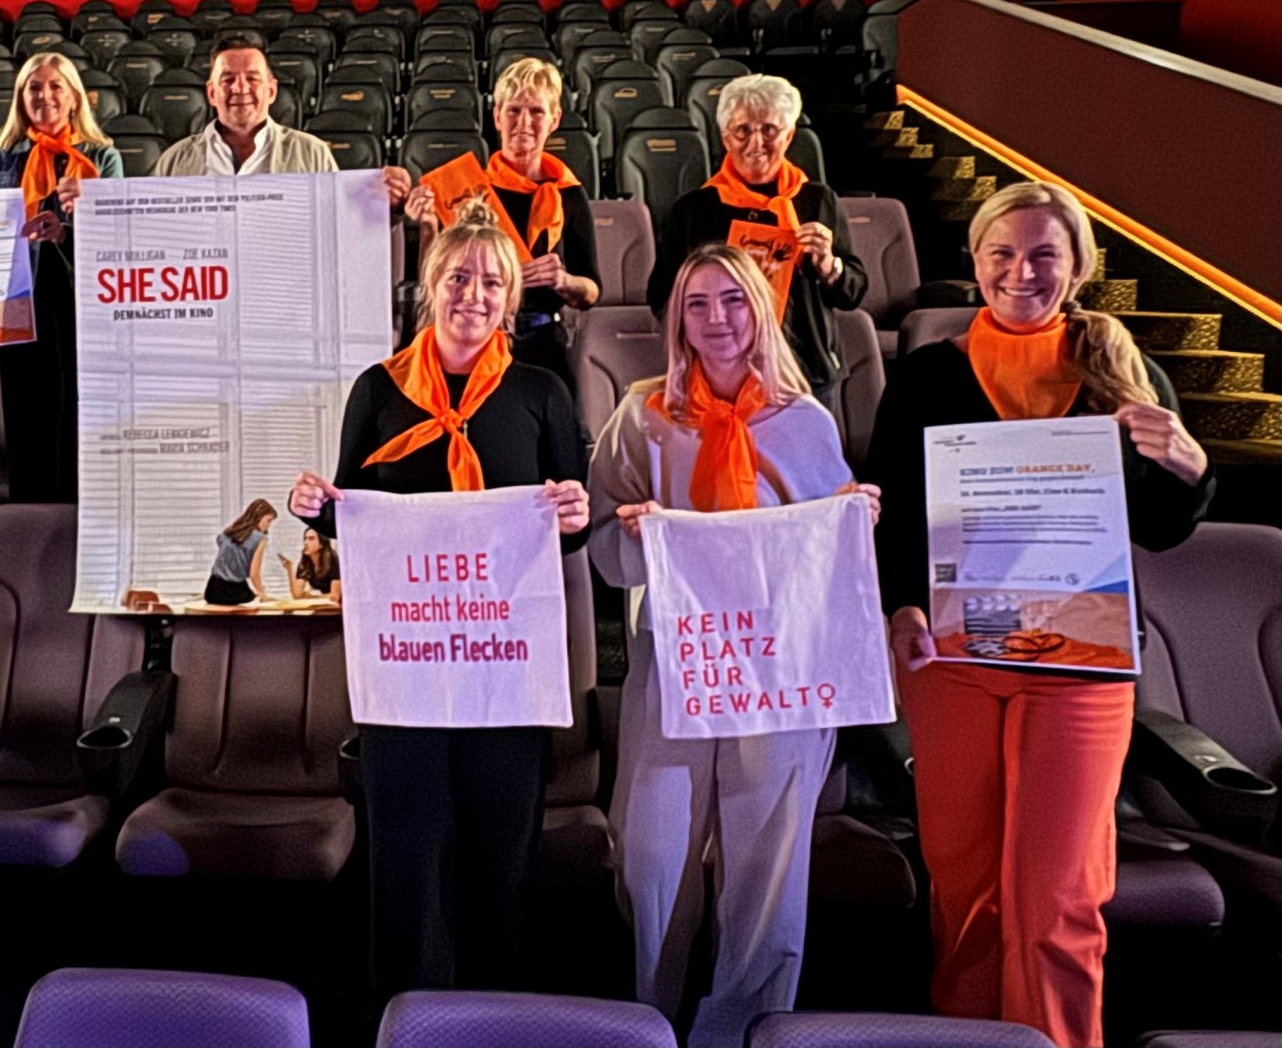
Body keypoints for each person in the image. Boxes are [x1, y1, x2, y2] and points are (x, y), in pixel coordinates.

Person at [868, 182, 1213, 1048]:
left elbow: (1161, 529)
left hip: (1081, 663)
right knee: (967, 888)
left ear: (1077, 266)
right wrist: (900, 603)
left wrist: (1191, 468)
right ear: (976, 261)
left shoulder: (1127, 374)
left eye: (1044, 254)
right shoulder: (925, 375)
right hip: (955, 658)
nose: (1022, 272)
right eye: (1003, 253)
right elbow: (895, 517)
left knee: (1059, 895)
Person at [289, 198, 590, 998]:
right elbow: (352, 518)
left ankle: (490, 1020)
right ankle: (405, 1021)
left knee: (501, 861)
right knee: (408, 866)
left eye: (492, 281)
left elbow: (566, 534)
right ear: (430, 285)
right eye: (458, 276)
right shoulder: (378, 389)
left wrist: (575, 516)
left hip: (504, 670)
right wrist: (316, 507)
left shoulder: (541, 391)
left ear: (510, 297)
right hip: (407, 673)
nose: (474, 294)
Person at [588, 242, 879, 1047]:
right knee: (651, 850)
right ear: (677, 320)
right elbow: (602, 546)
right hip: (676, 660)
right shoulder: (642, 415)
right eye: (697, 303)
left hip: (782, 671)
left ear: (761, 310)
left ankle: (741, 1032)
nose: (716, 318)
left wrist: (857, 520)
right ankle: (650, 1019)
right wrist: (631, 537)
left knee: (767, 865)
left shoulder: (806, 421)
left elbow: (831, 559)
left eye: (733, 300)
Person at [648, 74, 867, 401]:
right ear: (725, 138)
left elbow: (853, 292)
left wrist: (828, 265)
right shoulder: (693, 210)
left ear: (789, 136)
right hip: (719, 376)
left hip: (806, 371)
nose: (756, 143)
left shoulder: (817, 200)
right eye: (743, 130)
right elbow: (662, 296)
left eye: (769, 130)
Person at [0, 51, 125, 503]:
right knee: (27, 418)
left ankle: (81, 513)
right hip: (20, 304)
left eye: (56, 86)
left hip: (85, 308)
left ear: (74, 97)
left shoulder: (103, 157)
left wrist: (73, 227)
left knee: (80, 416)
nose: (45, 95)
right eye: (34, 87)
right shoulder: (0, 161)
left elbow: (120, 239)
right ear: (21, 99)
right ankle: (28, 516)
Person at [405, 57, 600, 392]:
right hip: (475, 343)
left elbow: (591, 292)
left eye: (536, 111)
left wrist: (563, 280)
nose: (524, 122)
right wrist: (427, 227)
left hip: (542, 344)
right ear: (497, 117)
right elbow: (431, 283)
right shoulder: (466, 191)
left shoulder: (569, 192)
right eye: (513, 110)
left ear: (554, 120)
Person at [154, 36, 413, 207]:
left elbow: (338, 219)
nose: (240, 88)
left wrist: (383, 199)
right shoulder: (174, 161)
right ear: (212, 93)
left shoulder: (312, 152)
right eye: (228, 80)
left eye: (252, 78)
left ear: (271, 91)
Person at [205, 498, 276, 605]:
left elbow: (220, 542)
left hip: (212, 590)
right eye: (268, 520)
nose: (269, 525)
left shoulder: (228, 532)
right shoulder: (260, 538)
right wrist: (262, 594)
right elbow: (254, 574)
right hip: (236, 591)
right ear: (258, 517)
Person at [278, 526, 341, 602]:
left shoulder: (333, 560)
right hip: (325, 601)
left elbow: (335, 597)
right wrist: (289, 569)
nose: (305, 543)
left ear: (321, 544)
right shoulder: (305, 561)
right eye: (305, 538)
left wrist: (310, 596)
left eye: (311, 539)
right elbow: (297, 595)